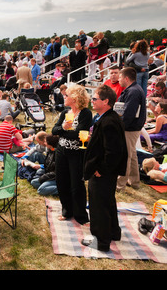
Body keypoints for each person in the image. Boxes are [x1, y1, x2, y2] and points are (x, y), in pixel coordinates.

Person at [83, 84, 127, 252]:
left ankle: (101, 242)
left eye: (94, 98)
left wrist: (100, 169)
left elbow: (114, 152)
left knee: (98, 206)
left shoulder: (109, 121)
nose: (91, 101)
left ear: (106, 101)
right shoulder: (109, 117)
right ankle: (114, 232)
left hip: (104, 172)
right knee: (108, 201)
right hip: (107, 171)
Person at [51, 84, 92, 225]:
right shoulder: (65, 112)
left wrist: (64, 131)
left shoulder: (86, 113)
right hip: (61, 151)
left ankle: (81, 215)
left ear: (74, 98)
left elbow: (78, 134)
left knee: (77, 185)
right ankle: (66, 211)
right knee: (61, 182)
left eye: (67, 95)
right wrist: (63, 128)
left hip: (76, 153)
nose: (64, 96)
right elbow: (54, 130)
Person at [115, 67, 146, 192]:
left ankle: (120, 185)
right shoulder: (133, 89)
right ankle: (134, 181)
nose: (119, 79)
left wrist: (119, 126)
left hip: (129, 128)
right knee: (132, 154)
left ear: (126, 78)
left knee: (125, 156)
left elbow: (128, 113)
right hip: (132, 127)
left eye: (120, 77)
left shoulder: (133, 91)